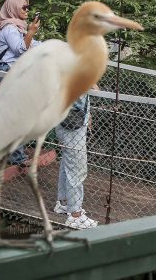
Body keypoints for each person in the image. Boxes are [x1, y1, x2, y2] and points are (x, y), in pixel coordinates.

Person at [0, 0, 41, 165]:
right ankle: (16, 157)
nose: (27, 10)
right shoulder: (9, 28)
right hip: (8, 74)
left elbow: (33, 45)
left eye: (28, 7)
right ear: (13, 8)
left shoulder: (18, 28)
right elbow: (21, 49)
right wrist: (31, 32)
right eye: (24, 7)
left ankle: (10, 154)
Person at [53, 88, 98, 229]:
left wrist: (87, 114)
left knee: (69, 160)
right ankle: (75, 215)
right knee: (77, 167)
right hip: (71, 120)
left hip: (72, 116)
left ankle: (64, 203)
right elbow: (94, 87)